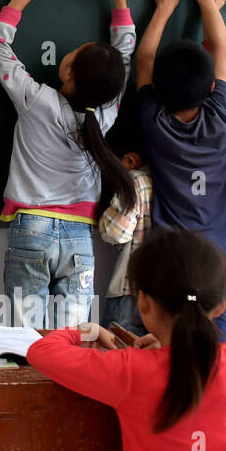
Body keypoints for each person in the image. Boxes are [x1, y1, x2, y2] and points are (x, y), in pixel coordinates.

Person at [28, 229, 226, 451]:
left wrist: (87, 330)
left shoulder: (130, 369)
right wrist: (175, 348)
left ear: (143, 303)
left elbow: (42, 352)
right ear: (220, 306)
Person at [0, 0, 136, 329]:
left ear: (67, 71)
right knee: (72, 343)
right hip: (80, 237)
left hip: (32, 229)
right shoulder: (106, 114)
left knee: (25, 343)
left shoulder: (37, 100)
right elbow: (125, 60)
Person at [135, 0, 226, 342]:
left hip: (171, 255)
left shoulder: (153, 121)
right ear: (211, 87)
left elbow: (145, 60)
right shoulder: (223, 118)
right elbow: (223, 50)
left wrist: (164, 7)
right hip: (218, 258)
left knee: (167, 346)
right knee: (219, 350)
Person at [97, 126, 151, 336]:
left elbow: (115, 232)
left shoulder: (135, 180)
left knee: (115, 358)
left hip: (129, 290)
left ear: (129, 161)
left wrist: (104, 217)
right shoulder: (168, 180)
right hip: (158, 294)